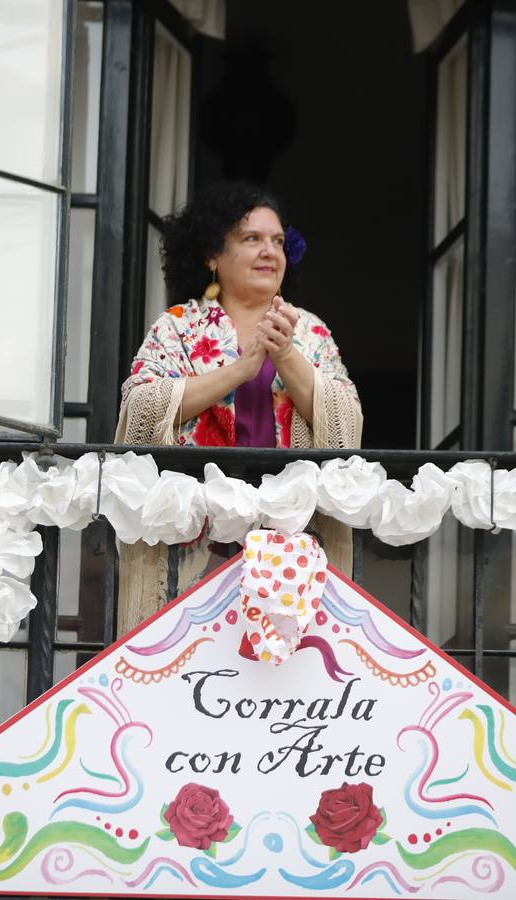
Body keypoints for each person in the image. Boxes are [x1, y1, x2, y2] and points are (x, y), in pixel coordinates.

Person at [116, 182, 362, 630]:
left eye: (278, 242)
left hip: (291, 552)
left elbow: (345, 427)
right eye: (252, 239)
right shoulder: (177, 327)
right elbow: (142, 412)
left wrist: (286, 356)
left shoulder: (309, 331)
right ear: (213, 254)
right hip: (193, 547)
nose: (270, 251)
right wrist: (238, 371)